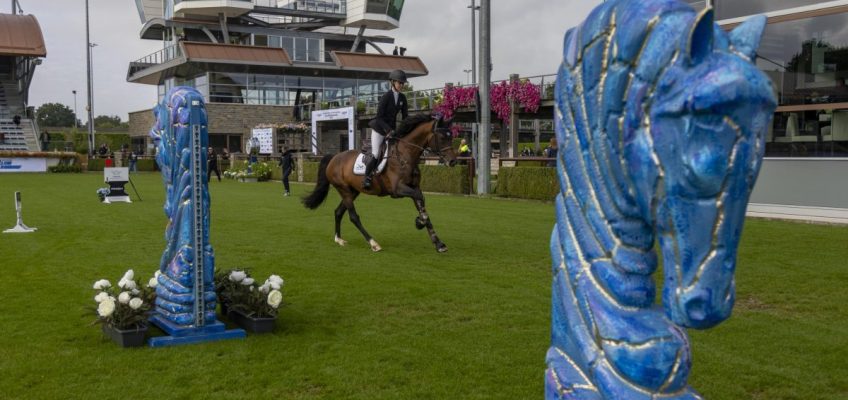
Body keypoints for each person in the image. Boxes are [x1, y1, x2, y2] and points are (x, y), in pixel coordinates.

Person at [362, 69, 409, 189]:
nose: (402, 85)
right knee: (376, 153)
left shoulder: (403, 98)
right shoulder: (386, 97)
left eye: (403, 83)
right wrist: (388, 130)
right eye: (400, 83)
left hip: (392, 130)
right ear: (393, 82)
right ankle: (366, 178)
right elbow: (379, 118)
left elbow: (405, 118)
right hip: (379, 129)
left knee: (396, 152)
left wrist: (407, 130)